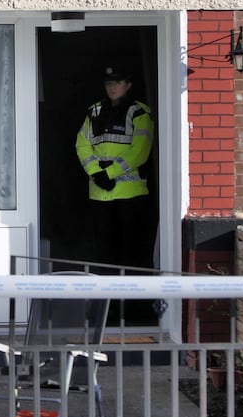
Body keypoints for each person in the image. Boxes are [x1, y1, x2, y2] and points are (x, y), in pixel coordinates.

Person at [75, 63, 156, 271]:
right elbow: (82, 144)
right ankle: (107, 303)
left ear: (128, 85)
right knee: (103, 255)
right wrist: (96, 173)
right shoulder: (94, 112)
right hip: (99, 195)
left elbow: (139, 151)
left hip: (130, 197)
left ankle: (130, 303)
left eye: (118, 82)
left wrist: (110, 173)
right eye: (109, 83)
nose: (112, 87)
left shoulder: (138, 113)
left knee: (130, 255)